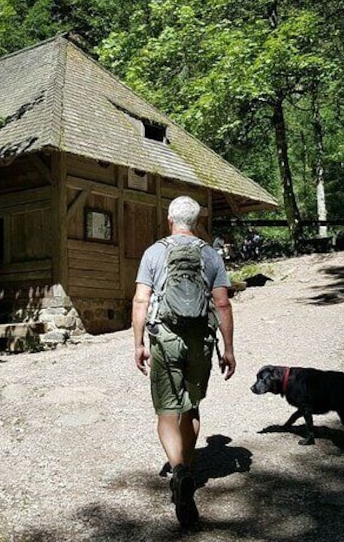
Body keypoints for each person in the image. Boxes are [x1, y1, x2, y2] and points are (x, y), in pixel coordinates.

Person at [132, 196, 236, 528]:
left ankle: (177, 471)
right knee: (191, 408)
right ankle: (188, 470)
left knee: (166, 410)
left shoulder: (154, 252)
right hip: (200, 339)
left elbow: (140, 299)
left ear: (169, 220)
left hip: (165, 338)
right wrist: (229, 349)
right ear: (197, 221)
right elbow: (222, 305)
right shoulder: (210, 254)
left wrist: (137, 343)